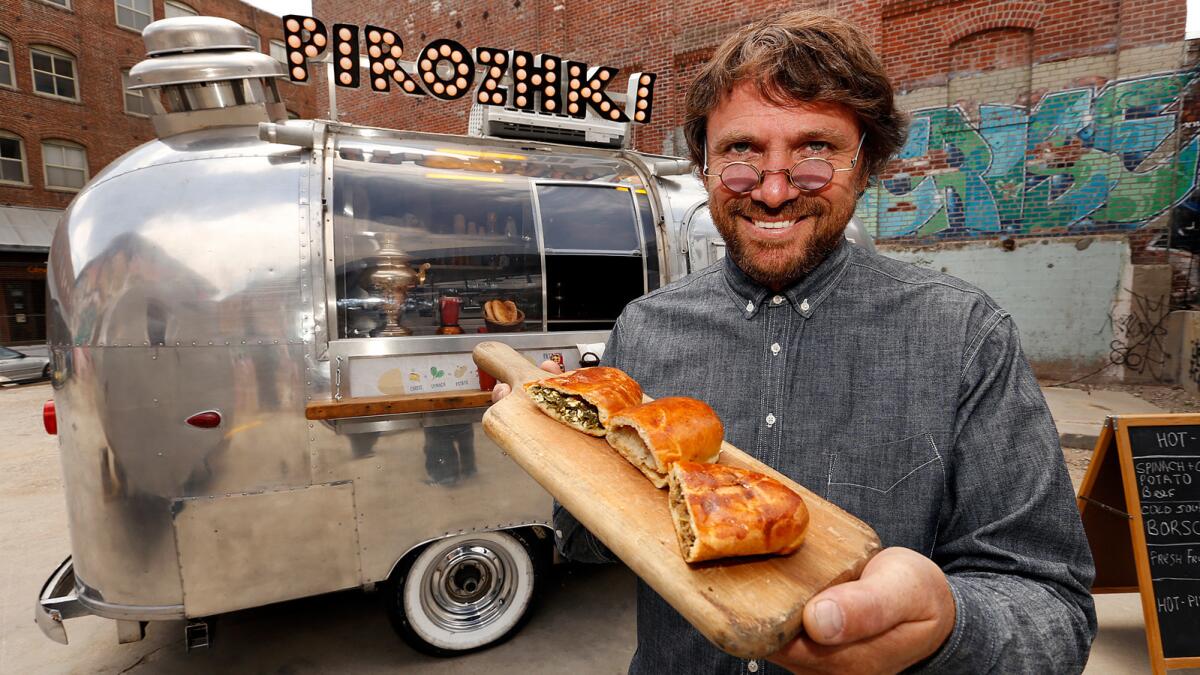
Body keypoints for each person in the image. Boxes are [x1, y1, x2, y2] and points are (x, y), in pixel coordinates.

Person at [495, 10, 1095, 673]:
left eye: (816, 150)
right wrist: (558, 448)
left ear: (866, 164)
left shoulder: (964, 339)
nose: (774, 190)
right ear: (705, 163)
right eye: (742, 152)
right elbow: (593, 542)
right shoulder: (645, 326)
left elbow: (1052, 610)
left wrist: (946, 626)